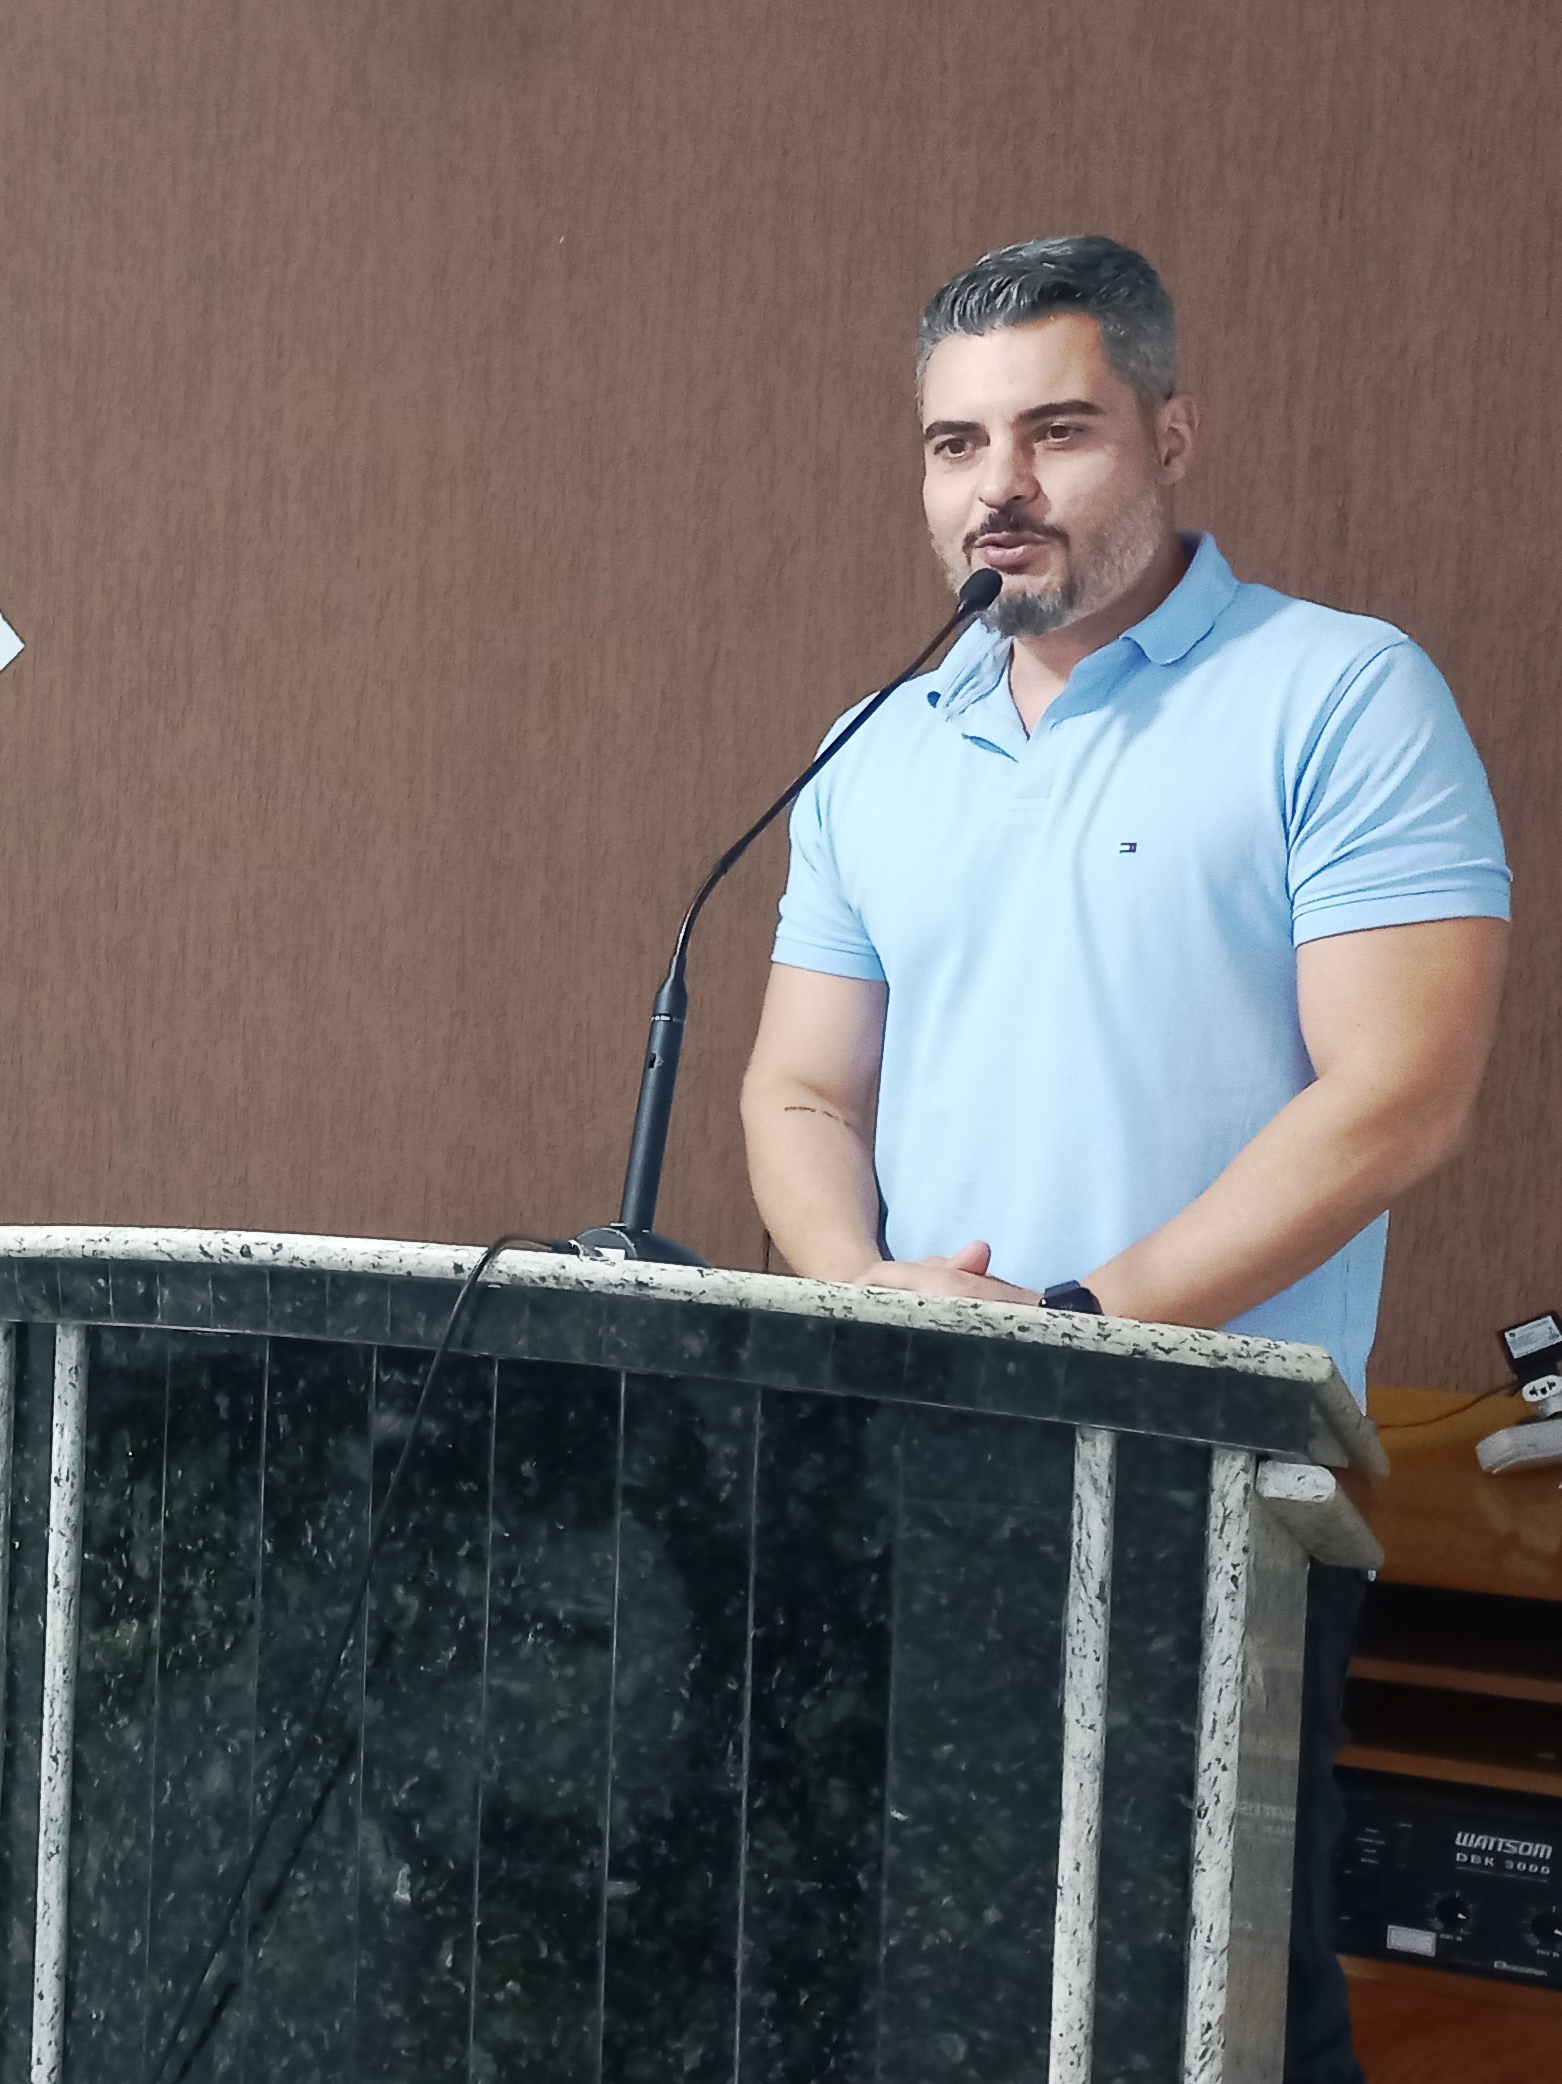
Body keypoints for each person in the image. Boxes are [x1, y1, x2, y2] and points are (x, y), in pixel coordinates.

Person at [739, 235, 1509, 2084]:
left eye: (1055, 431)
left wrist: (1083, 1332)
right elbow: (800, 1095)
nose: (994, 486)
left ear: (1170, 435)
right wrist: (865, 1296)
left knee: (1202, 2019)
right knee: (914, 1994)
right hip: (910, 1459)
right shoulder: (873, 746)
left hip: (1209, 1490)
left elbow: (1398, 1094)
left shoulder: (1339, 691)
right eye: (954, 444)